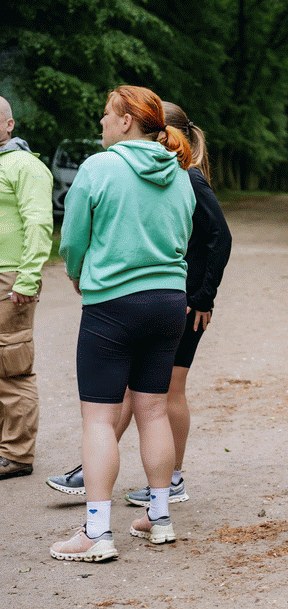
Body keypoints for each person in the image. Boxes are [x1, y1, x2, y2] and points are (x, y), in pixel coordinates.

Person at [45, 101, 232, 503]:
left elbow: (221, 238)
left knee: (154, 398)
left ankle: (163, 484)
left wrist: (204, 297)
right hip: (170, 299)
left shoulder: (181, 176)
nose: (103, 120)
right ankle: (110, 478)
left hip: (172, 302)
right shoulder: (167, 173)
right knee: (144, 400)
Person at [49, 85, 195, 562]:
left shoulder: (99, 168)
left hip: (113, 304)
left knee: (99, 417)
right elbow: (185, 235)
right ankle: (159, 517)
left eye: (107, 114)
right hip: (169, 302)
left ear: (127, 120)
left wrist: (78, 272)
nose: (102, 123)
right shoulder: (180, 174)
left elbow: (73, 238)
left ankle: (96, 531)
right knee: (153, 411)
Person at [0, 95, 54, 480]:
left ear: (9, 124)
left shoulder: (25, 166)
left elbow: (39, 223)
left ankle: (17, 454)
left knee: (11, 366)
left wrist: (28, 277)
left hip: (10, 279)